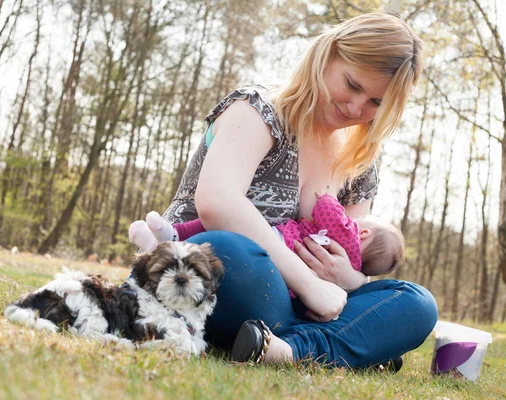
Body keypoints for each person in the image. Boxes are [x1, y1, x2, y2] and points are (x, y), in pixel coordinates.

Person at [128, 12, 437, 369]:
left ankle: (284, 350)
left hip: (302, 306)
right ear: (330, 54)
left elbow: (357, 251)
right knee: (228, 248)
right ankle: (347, 346)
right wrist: (308, 284)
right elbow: (217, 202)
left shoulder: (360, 157)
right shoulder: (259, 109)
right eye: (352, 85)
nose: (356, 107)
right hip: (220, 278)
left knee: (416, 302)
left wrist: (350, 279)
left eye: (376, 103)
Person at [129, 192, 405, 296]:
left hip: (280, 242)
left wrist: (328, 197)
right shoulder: (354, 259)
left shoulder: (349, 236)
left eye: (366, 221)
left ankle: (173, 236)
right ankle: (166, 239)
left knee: (225, 226)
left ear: (365, 235)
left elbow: (330, 213)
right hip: (288, 286)